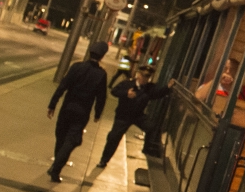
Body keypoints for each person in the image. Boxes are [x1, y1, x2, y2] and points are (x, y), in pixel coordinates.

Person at [47, 41, 109, 183]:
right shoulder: (101, 74)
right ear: (102, 57)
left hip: (67, 108)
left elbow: (63, 86)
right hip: (82, 112)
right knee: (71, 140)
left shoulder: (76, 67)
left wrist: (52, 104)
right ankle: (56, 168)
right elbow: (101, 97)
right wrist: (97, 113)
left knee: (61, 138)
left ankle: (55, 167)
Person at [97, 66, 176, 168]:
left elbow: (157, 94)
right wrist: (126, 93)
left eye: (147, 77)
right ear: (139, 75)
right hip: (123, 116)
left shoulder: (149, 88)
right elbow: (114, 91)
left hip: (138, 115)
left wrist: (168, 87)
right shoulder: (127, 84)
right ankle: (104, 160)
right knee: (114, 137)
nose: (145, 79)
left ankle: (146, 149)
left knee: (151, 127)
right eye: (143, 76)